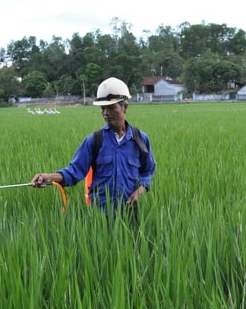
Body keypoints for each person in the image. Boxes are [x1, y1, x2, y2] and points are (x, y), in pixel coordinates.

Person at [31, 77, 156, 216]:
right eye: (103, 109)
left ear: (125, 107)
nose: (106, 113)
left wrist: (139, 191)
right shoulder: (95, 140)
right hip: (100, 215)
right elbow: (74, 172)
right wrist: (49, 177)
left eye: (111, 108)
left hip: (131, 212)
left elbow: (148, 171)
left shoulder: (140, 139)